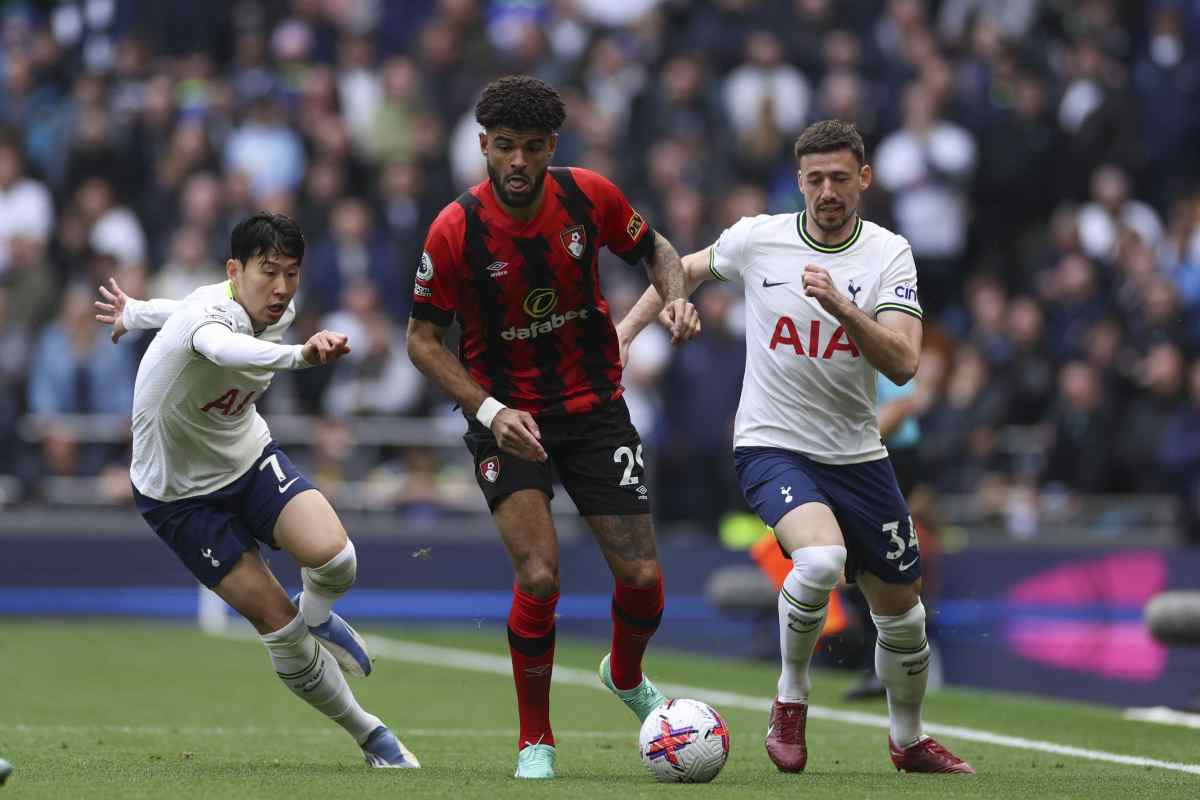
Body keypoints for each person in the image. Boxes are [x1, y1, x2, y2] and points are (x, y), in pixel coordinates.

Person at [618, 120, 974, 775]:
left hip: (859, 455)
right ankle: (791, 703)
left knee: (905, 613)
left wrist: (843, 306)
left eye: (841, 177)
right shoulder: (761, 239)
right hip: (771, 445)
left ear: (864, 179)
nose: (828, 191)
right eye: (815, 179)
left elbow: (902, 362)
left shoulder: (889, 254)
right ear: (799, 180)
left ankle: (908, 740)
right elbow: (683, 267)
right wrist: (627, 332)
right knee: (819, 561)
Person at [405, 75, 699, 780]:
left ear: (551, 148)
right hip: (510, 422)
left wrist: (677, 298)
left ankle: (625, 676)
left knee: (644, 578)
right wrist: (488, 411)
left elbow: (656, 247)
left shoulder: (587, 197)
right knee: (539, 577)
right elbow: (421, 339)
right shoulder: (454, 230)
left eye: (531, 148)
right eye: (504, 147)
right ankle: (535, 738)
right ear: (482, 145)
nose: (517, 162)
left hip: (595, 410)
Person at [93, 213, 419, 769]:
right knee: (280, 628)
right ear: (234, 270)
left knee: (338, 559)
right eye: (269, 272)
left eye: (291, 273)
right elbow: (225, 350)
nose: (282, 288)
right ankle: (371, 736)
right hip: (179, 495)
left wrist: (137, 312)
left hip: (246, 456)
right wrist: (301, 356)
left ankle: (317, 614)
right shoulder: (212, 318)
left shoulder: (271, 306)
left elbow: (180, 309)